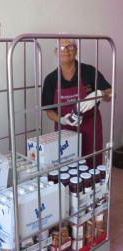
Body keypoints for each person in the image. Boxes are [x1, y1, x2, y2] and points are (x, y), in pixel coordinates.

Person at [42, 37, 112, 168]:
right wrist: (62, 120)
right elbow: (49, 111)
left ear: (76, 50)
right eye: (61, 48)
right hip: (64, 129)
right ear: (56, 52)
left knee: (92, 162)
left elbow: (111, 93)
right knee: (66, 163)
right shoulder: (51, 79)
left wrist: (100, 94)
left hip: (90, 126)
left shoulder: (89, 71)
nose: (66, 51)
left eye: (70, 47)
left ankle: (93, 187)